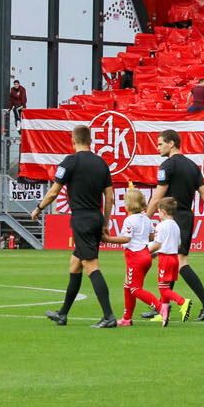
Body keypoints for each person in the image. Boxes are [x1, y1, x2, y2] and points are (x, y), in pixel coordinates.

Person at [32, 125, 118, 327]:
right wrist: (105, 222)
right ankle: (63, 314)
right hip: (95, 217)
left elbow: (53, 192)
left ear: (73, 140)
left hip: (81, 220)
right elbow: (109, 196)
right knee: (75, 264)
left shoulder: (69, 162)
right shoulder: (101, 163)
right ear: (90, 141)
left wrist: (38, 208)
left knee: (91, 265)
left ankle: (109, 316)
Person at [145, 130, 204, 321]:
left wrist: (144, 221)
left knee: (179, 262)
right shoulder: (193, 166)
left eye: (161, 143)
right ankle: (163, 306)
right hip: (186, 217)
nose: (158, 147)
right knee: (171, 261)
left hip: (174, 218)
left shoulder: (167, 166)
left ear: (172, 143)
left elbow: (157, 197)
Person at [101, 188, 155, 326]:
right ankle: (127, 318)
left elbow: (126, 239)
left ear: (130, 203)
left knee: (135, 289)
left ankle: (161, 308)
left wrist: (107, 239)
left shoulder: (130, 219)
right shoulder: (147, 219)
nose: (124, 203)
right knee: (127, 285)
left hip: (135, 257)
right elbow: (151, 237)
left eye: (125, 201)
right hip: (146, 255)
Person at [146, 198, 193, 326]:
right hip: (174, 258)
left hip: (165, 259)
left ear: (163, 212)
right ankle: (164, 314)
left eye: (159, 212)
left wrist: (146, 251)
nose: (158, 214)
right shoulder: (176, 226)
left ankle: (183, 302)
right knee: (166, 287)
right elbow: (178, 246)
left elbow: (157, 244)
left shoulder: (161, 226)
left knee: (163, 289)